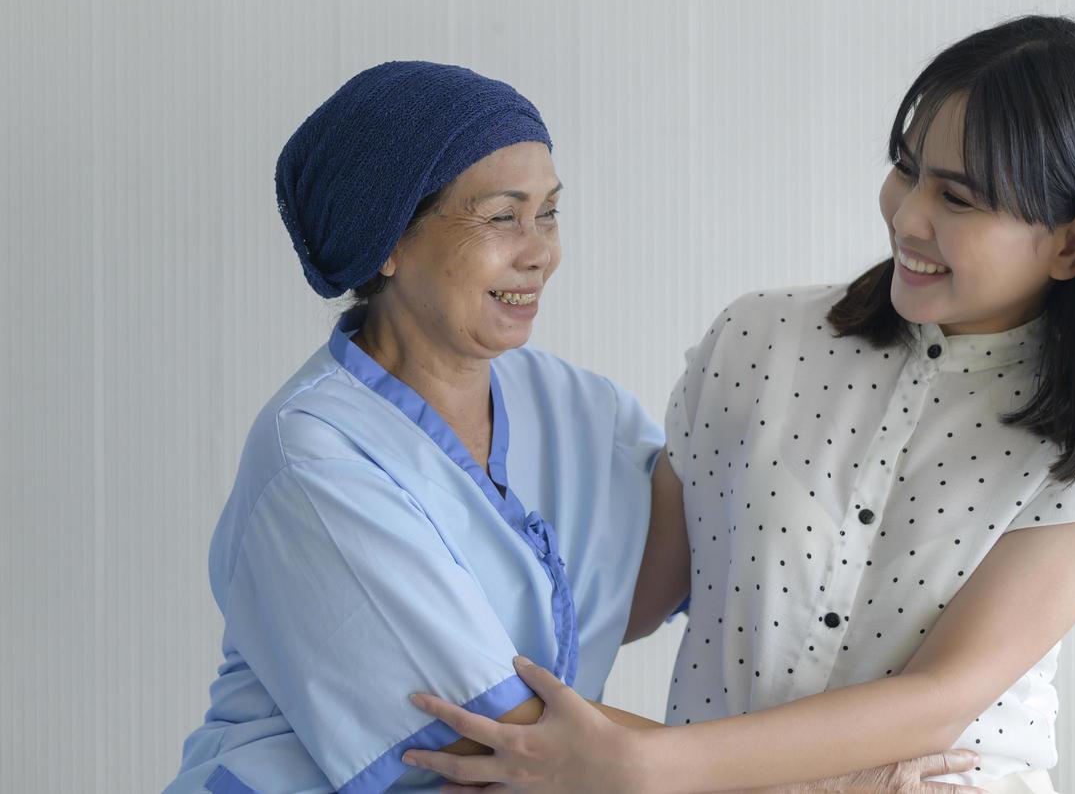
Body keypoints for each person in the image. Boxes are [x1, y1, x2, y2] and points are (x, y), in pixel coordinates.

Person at [404, 16, 1075, 794]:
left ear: (1073, 241)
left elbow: (939, 698)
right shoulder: (759, 339)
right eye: (906, 169)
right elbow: (627, 596)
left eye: (959, 200)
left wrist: (638, 769)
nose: (908, 216)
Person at [165, 62, 973, 794]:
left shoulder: (571, 405)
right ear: (388, 244)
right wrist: (820, 784)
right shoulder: (314, 462)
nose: (539, 253)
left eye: (549, 213)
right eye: (501, 218)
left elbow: (730, 548)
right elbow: (504, 737)